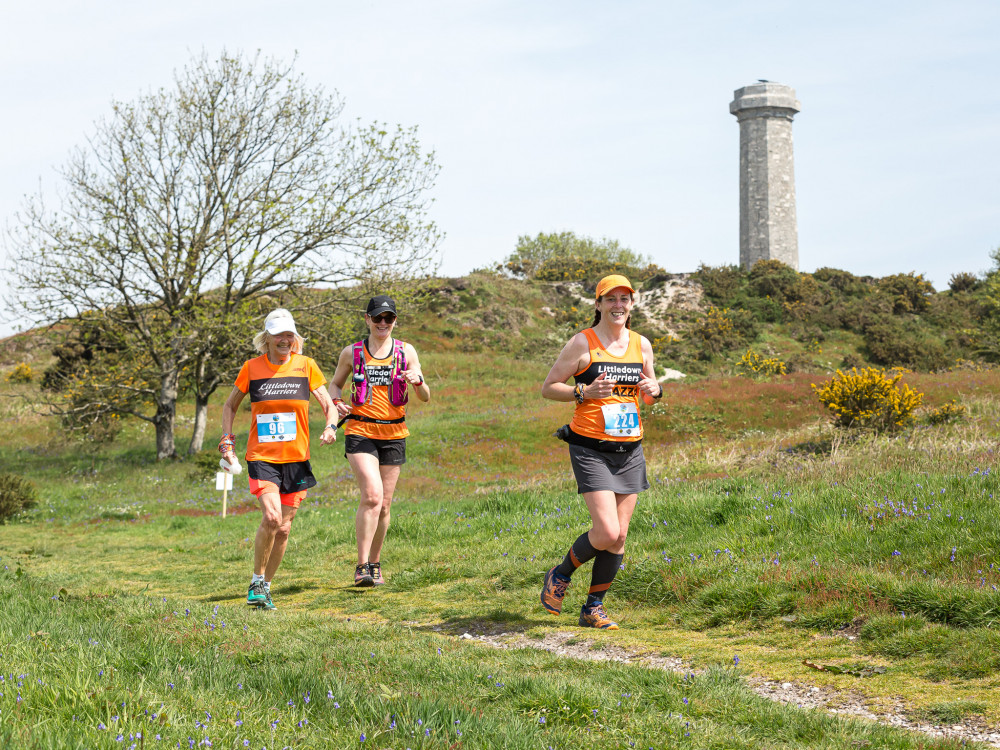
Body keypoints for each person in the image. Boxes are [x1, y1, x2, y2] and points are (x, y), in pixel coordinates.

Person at [539, 274, 663, 629]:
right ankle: (560, 574)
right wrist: (583, 393)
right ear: (598, 304)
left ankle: (593, 608)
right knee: (606, 532)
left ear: (633, 304)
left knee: (620, 536)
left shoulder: (643, 345)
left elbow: (649, 395)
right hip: (590, 447)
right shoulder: (582, 343)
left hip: (630, 449)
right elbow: (549, 388)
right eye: (611, 299)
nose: (618, 305)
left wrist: (655, 389)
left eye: (625, 299)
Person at [220, 308, 338, 610]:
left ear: (295, 338)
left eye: (289, 335)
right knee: (272, 517)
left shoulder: (306, 366)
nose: (284, 340)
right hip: (262, 456)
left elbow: (328, 404)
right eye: (278, 335)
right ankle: (256, 581)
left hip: (297, 458)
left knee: (284, 528)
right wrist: (227, 440)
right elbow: (230, 406)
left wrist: (330, 427)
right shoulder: (252, 368)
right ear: (267, 338)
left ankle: (266, 588)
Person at [329, 295, 430, 587]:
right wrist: (336, 401)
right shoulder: (352, 352)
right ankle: (361, 566)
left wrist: (418, 382)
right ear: (367, 319)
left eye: (388, 318)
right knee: (371, 496)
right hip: (360, 430)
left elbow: (425, 397)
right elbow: (335, 383)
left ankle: (375, 563)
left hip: (395, 433)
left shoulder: (406, 351)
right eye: (377, 318)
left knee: (385, 505)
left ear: (395, 321)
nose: (383, 323)